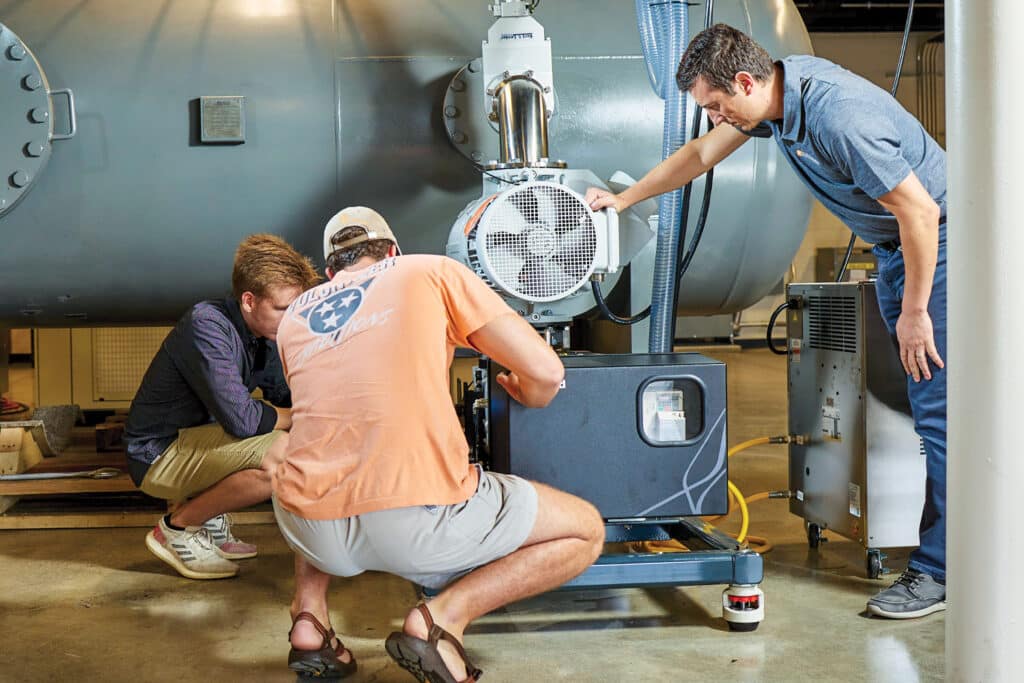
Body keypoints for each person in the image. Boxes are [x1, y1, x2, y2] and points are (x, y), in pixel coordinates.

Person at [586, 24, 947, 620]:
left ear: (747, 81)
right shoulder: (776, 103)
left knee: (938, 414)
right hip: (896, 251)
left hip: (938, 241)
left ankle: (939, 571)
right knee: (925, 405)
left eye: (717, 104)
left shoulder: (838, 116)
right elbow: (700, 155)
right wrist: (624, 202)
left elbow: (922, 210)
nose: (715, 116)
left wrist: (914, 313)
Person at [268, 207, 605, 680]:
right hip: (414, 525)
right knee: (585, 529)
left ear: (329, 272)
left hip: (310, 530)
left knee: (321, 447)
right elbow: (547, 371)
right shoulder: (428, 270)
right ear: (392, 251)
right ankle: (440, 620)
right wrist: (531, 391)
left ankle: (309, 618)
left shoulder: (296, 315)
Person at [125, 234, 320, 580]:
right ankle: (178, 528)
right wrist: (303, 415)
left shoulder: (265, 335)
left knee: (299, 438)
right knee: (282, 456)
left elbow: (285, 396)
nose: (292, 319)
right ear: (249, 300)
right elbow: (243, 420)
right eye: (283, 309)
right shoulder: (207, 324)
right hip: (156, 455)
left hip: (198, 440)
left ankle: (208, 518)